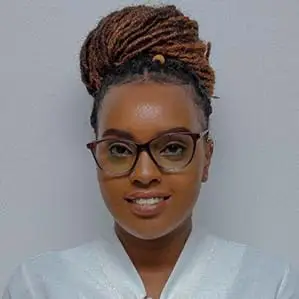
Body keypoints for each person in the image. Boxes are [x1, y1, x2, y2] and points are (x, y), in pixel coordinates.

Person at [2, 4, 299, 299]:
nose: (144, 174)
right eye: (119, 149)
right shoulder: (39, 286)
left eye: (172, 147)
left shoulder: (269, 285)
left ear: (206, 158)